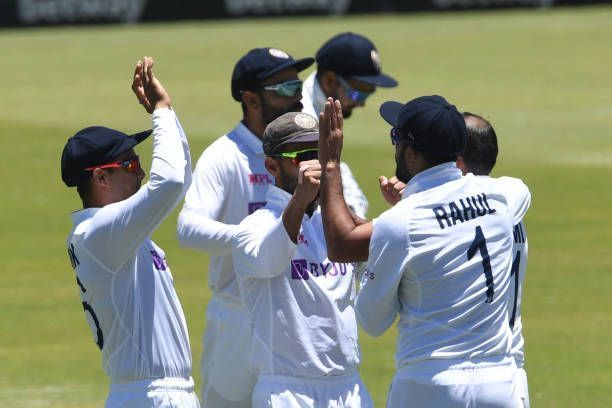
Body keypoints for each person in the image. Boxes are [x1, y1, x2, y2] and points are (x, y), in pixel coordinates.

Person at [317, 96, 531, 407]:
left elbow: (371, 320)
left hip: (429, 385)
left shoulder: (400, 223)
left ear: (412, 152)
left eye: (396, 137)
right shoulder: (503, 195)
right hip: (501, 384)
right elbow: (459, 218)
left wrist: (330, 164)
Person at [176, 47, 314, 406]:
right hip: (238, 318)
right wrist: (253, 239)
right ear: (251, 100)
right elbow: (188, 228)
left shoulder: (307, 150)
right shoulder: (225, 155)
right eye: (282, 90)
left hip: (294, 317)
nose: (296, 97)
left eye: (296, 86)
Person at [62, 57, 199, 407]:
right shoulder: (99, 233)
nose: (140, 174)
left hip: (159, 393)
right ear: (100, 177)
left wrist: (167, 114)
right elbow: (167, 181)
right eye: (131, 165)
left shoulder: (111, 233)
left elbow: (179, 180)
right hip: (152, 395)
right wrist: (162, 111)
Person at [231, 111, 373, 408]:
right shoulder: (253, 227)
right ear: (271, 165)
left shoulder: (337, 227)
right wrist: (301, 198)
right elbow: (270, 258)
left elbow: (379, 274)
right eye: (300, 156)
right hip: (287, 392)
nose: (313, 165)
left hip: (348, 387)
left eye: (318, 153)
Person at [457, 112, 531, 408]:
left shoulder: (459, 214)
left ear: (457, 158)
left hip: (466, 373)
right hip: (510, 374)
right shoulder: (507, 197)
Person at [301, 32, 399, 218]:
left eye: (368, 94)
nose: (362, 103)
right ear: (329, 80)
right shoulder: (303, 124)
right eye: (357, 94)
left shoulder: (322, 107)